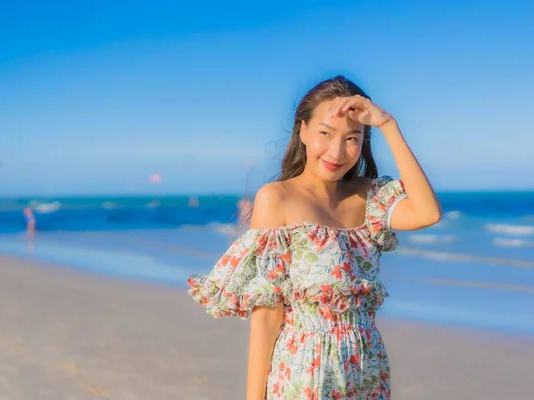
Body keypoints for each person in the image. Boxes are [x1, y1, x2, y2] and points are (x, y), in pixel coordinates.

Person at [187, 75, 442, 399]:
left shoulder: (370, 197)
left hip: (367, 369)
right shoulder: (276, 198)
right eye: (325, 133)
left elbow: (428, 213)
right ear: (303, 131)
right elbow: (267, 312)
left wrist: (388, 125)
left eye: (352, 137)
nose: (337, 150)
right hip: (304, 370)